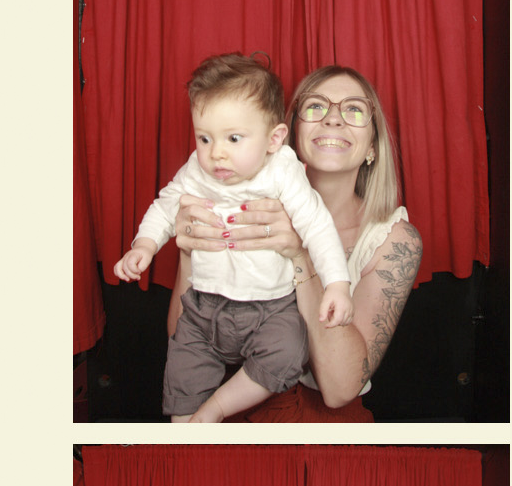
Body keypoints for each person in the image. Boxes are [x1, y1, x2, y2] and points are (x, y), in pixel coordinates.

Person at [167, 65, 423, 422]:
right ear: (285, 135)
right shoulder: (229, 202)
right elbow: (183, 338)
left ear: (372, 147)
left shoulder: (394, 240)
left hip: (320, 428)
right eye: (316, 106)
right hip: (227, 409)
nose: (333, 118)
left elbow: (340, 389)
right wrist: (190, 250)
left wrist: (300, 254)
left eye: (354, 110)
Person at [115, 55, 354, 422]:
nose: (216, 153)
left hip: (270, 308)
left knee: (288, 349)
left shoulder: (282, 170)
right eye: (204, 138)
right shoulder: (198, 170)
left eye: (234, 138)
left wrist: (337, 283)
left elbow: (316, 225)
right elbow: (166, 205)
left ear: (274, 139)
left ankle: (216, 409)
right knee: (182, 369)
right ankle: (185, 431)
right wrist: (144, 245)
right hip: (202, 306)